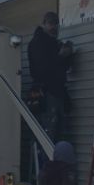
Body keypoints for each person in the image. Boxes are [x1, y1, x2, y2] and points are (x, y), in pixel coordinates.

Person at [26, 11, 74, 141]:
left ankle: (55, 160)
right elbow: (41, 69)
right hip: (45, 93)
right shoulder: (38, 43)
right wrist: (60, 56)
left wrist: (68, 54)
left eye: (56, 24)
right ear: (44, 24)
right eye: (51, 24)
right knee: (48, 134)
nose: (54, 27)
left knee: (58, 133)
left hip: (57, 92)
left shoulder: (54, 43)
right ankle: (47, 161)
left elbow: (62, 67)